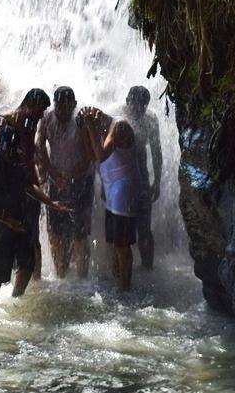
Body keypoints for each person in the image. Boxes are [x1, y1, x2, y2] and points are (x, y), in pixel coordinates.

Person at [0, 123, 69, 304]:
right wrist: (4, 218)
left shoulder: (17, 160)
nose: (12, 152)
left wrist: (50, 202)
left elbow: (28, 185)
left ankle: (16, 299)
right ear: (0, 145)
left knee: (28, 260)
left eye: (14, 147)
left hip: (19, 219)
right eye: (8, 148)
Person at [0, 88, 49, 281]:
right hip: (5, 191)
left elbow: (33, 150)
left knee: (32, 237)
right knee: (0, 236)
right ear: (31, 104)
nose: (42, 114)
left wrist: (48, 170)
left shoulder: (31, 123)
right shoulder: (3, 121)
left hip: (29, 187)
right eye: (41, 109)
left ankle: (35, 284)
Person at [36, 87, 98, 279]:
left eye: (67, 107)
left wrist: (71, 177)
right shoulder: (47, 118)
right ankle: (60, 274)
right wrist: (51, 173)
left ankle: (81, 278)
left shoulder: (80, 121)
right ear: (54, 105)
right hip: (56, 179)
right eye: (59, 107)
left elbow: (90, 157)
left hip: (81, 180)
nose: (63, 111)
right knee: (54, 230)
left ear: (73, 105)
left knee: (80, 231)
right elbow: (39, 145)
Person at [86, 118, 144, 291]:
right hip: (113, 194)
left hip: (123, 194)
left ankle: (125, 287)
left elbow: (101, 156)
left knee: (122, 244)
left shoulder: (120, 126)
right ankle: (118, 282)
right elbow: (95, 157)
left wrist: (90, 126)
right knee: (113, 241)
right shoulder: (106, 130)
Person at [119, 86, 164, 269]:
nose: (138, 109)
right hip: (120, 180)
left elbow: (156, 152)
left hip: (141, 180)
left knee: (144, 227)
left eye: (142, 106)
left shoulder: (150, 119)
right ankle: (120, 272)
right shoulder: (117, 116)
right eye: (134, 104)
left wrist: (158, 181)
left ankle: (147, 269)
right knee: (121, 229)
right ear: (127, 101)